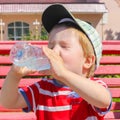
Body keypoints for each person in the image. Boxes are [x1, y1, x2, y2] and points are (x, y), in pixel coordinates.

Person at [0, 4, 111, 120]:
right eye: (51, 46)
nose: (54, 51)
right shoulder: (42, 89)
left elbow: (104, 100)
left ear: (87, 61)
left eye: (64, 46)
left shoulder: (94, 87)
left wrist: (63, 74)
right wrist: (14, 76)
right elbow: (8, 102)